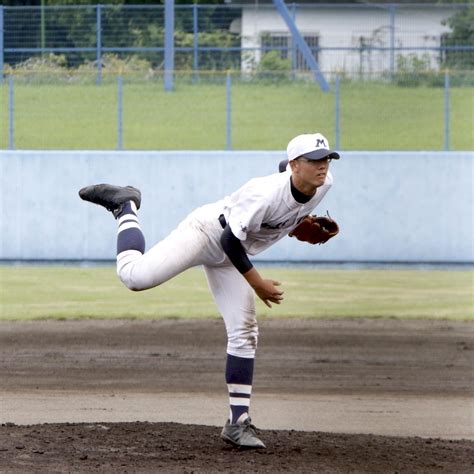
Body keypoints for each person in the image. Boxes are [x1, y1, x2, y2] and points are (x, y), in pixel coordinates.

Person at [78, 132, 340, 449]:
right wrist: (257, 283)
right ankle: (125, 205)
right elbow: (229, 239)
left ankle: (238, 423)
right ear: (297, 165)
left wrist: (301, 224)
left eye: (326, 158)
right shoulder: (264, 194)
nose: (322, 166)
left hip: (233, 256)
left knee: (245, 331)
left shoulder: (322, 185)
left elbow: (284, 188)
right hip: (207, 233)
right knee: (134, 277)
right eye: (314, 160)